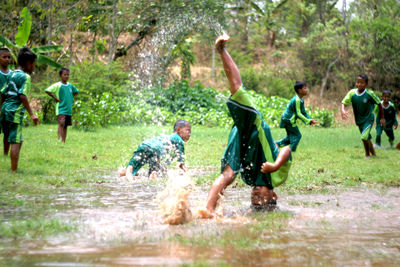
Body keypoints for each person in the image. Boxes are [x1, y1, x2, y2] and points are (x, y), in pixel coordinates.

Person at [199, 34, 292, 218]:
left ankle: (207, 211)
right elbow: (287, 150)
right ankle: (222, 50)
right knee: (237, 88)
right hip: (255, 129)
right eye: (261, 198)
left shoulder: (250, 179)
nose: (255, 197)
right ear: (273, 195)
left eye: (254, 201)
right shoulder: (276, 177)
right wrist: (274, 165)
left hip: (240, 136)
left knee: (229, 175)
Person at [0, 47, 40, 172]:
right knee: (15, 141)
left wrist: (1, 108)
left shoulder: (12, 73)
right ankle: (13, 170)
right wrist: (32, 114)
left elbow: (2, 92)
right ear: (28, 63)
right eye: (34, 64)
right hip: (14, 111)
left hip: (5, 109)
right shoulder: (25, 77)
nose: (34, 67)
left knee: (17, 137)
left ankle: (10, 162)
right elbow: (22, 95)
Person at [120, 120, 191, 180]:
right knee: (156, 173)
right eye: (187, 130)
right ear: (178, 130)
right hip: (157, 150)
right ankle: (148, 176)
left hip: (144, 145)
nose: (189, 134)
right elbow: (181, 162)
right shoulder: (179, 140)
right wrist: (185, 174)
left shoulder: (166, 137)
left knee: (133, 164)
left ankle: (128, 171)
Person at [341, 74, 384, 158]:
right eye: (357, 82)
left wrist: (382, 118)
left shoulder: (369, 94)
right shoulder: (352, 93)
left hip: (368, 119)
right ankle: (374, 154)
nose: (359, 84)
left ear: (366, 84)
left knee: (364, 137)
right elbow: (344, 102)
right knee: (367, 138)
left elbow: (379, 103)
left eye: (362, 83)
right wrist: (342, 110)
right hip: (359, 120)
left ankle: (367, 155)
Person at [276, 81, 318, 152]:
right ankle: (289, 152)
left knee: (291, 137)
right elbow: (298, 114)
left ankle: (276, 144)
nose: (306, 89)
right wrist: (307, 121)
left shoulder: (301, 100)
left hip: (286, 119)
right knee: (297, 135)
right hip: (289, 120)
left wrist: (309, 120)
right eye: (304, 88)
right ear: (299, 90)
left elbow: (303, 112)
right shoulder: (297, 100)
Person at [45, 68, 79, 143]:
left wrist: (70, 97)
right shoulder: (58, 85)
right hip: (60, 108)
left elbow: (76, 91)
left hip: (68, 109)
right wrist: (55, 98)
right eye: (65, 74)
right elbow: (47, 90)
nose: (66, 76)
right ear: (60, 75)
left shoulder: (70, 85)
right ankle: (59, 139)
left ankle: (63, 141)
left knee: (66, 125)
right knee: (61, 123)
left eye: (68, 75)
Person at [0, 47, 13, 156]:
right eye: (4, 57)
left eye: (9, 57)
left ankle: (5, 153)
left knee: (7, 132)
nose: (7, 59)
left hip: (8, 107)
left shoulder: (13, 75)